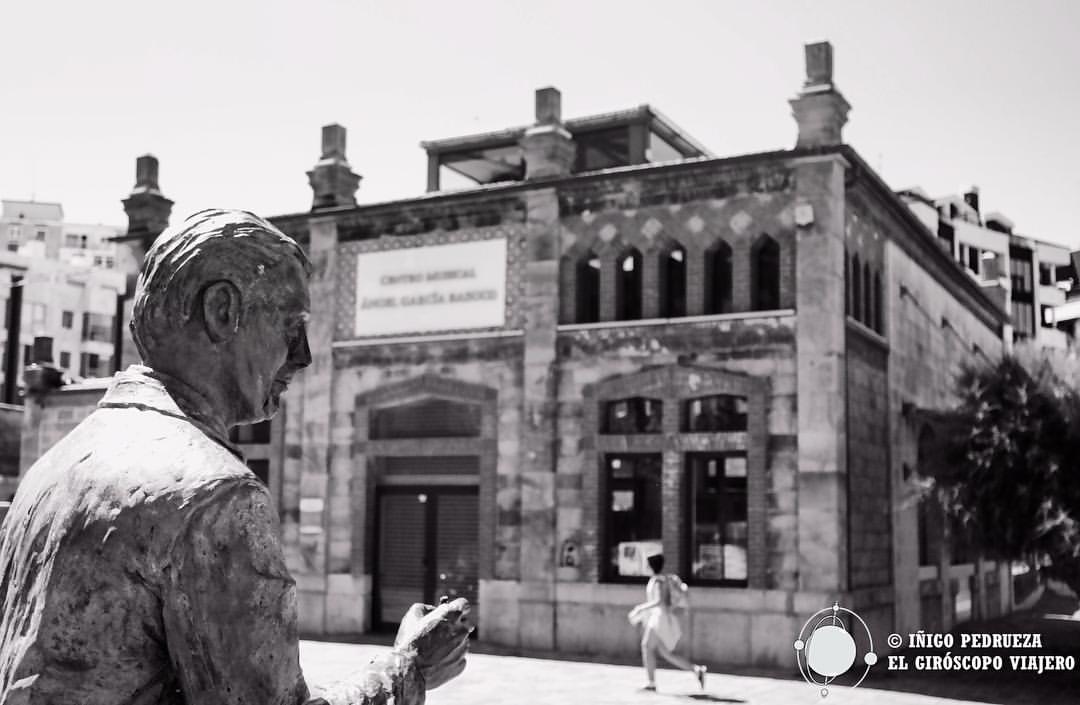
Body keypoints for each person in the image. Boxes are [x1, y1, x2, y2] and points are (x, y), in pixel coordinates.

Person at [0, 209, 471, 704]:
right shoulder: (213, 495)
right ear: (223, 310)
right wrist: (409, 667)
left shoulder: (53, 466)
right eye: (291, 325)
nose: (303, 355)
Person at [628, 553, 706, 692]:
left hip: (659, 619)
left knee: (646, 646)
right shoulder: (660, 579)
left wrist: (639, 608)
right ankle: (696, 670)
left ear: (651, 566)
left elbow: (659, 601)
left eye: (647, 564)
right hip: (661, 618)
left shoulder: (658, 581)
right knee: (665, 653)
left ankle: (651, 683)